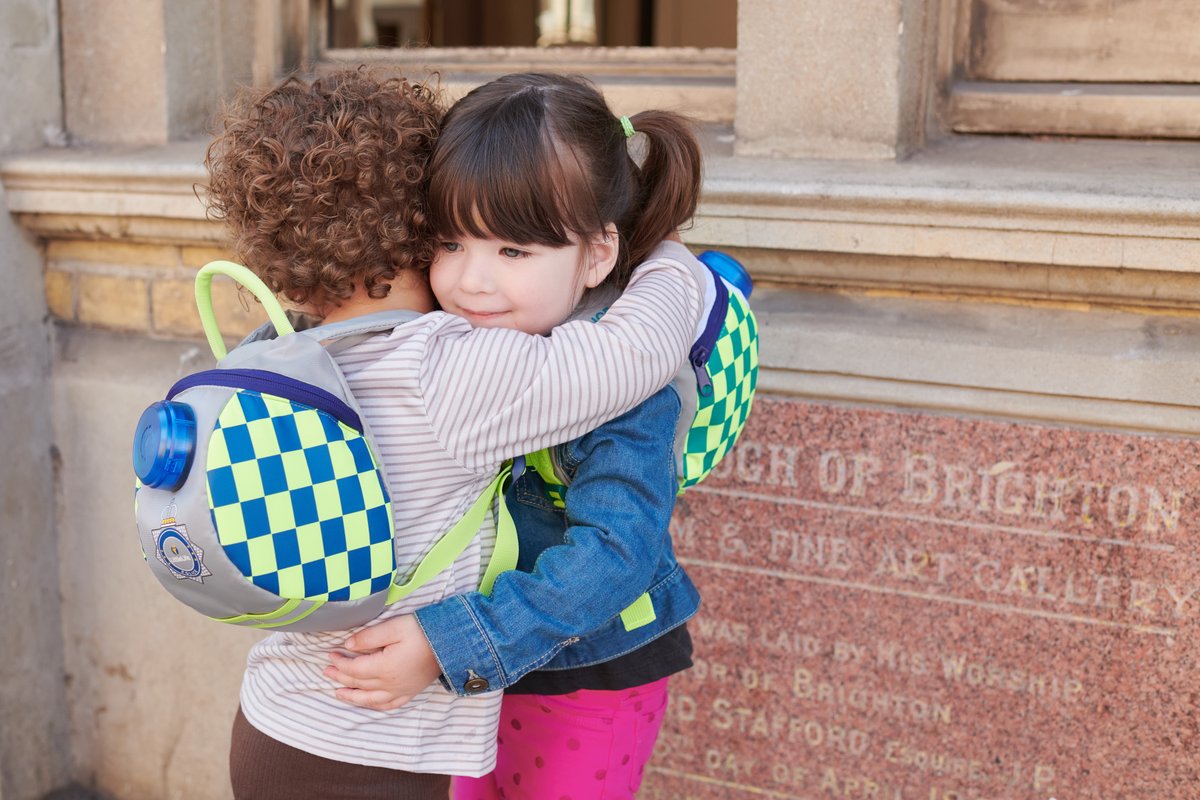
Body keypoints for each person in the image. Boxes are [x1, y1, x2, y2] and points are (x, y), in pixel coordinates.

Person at [204, 69, 708, 799]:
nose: (472, 282)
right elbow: (635, 347)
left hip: (563, 674)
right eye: (448, 243)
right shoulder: (438, 355)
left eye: (513, 251)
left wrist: (454, 644)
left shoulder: (280, 355)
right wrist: (669, 264)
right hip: (430, 697)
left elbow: (618, 548)